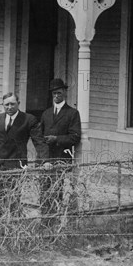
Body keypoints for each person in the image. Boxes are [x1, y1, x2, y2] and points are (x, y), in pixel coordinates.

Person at [0, 92, 46, 217]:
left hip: (17, 165)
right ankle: (0, 225)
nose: (10, 107)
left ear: (18, 104)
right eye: (6, 104)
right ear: (3, 105)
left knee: (13, 197)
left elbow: (39, 142)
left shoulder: (28, 119)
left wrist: (45, 160)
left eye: (13, 104)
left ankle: (12, 225)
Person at [39, 78, 82, 222]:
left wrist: (56, 139)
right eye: (53, 93)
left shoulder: (72, 113)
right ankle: (44, 221)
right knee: (44, 191)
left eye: (58, 93)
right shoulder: (46, 113)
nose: (56, 96)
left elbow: (75, 137)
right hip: (46, 160)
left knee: (56, 191)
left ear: (64, 92)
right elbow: (40, 137)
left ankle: (55, 221)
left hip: (61, 159)